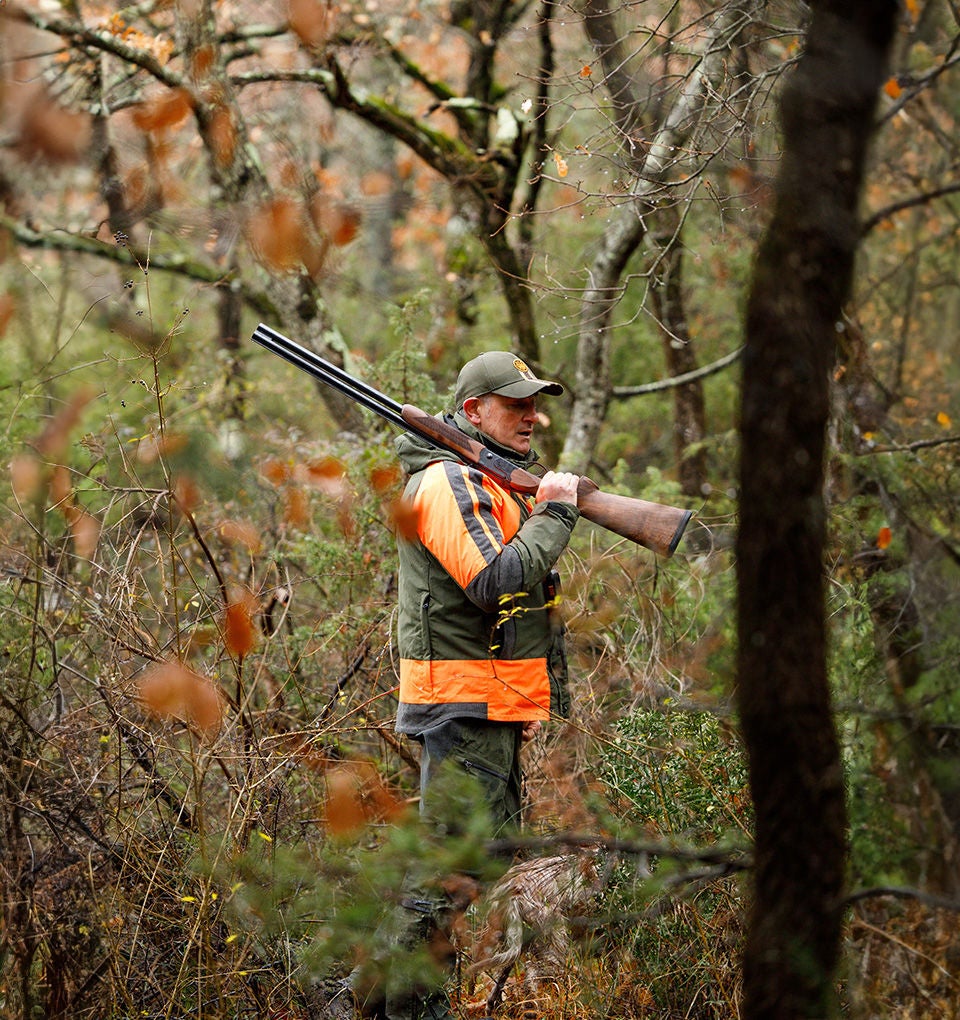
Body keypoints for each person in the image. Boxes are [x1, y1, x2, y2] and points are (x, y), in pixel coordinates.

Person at [357, 351, 580, 1020]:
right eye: (516, 405)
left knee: (475, 859)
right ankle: (388, 1005)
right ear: (474, 411)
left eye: (534, 404)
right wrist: (557, 512)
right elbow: (493, 581)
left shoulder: (483, 482)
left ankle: (384, 999)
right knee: (450, 868)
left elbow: (511, 607)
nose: (532, 416)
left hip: (487, 701)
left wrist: (526, 696)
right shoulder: (449, 482)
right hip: (462, 702)